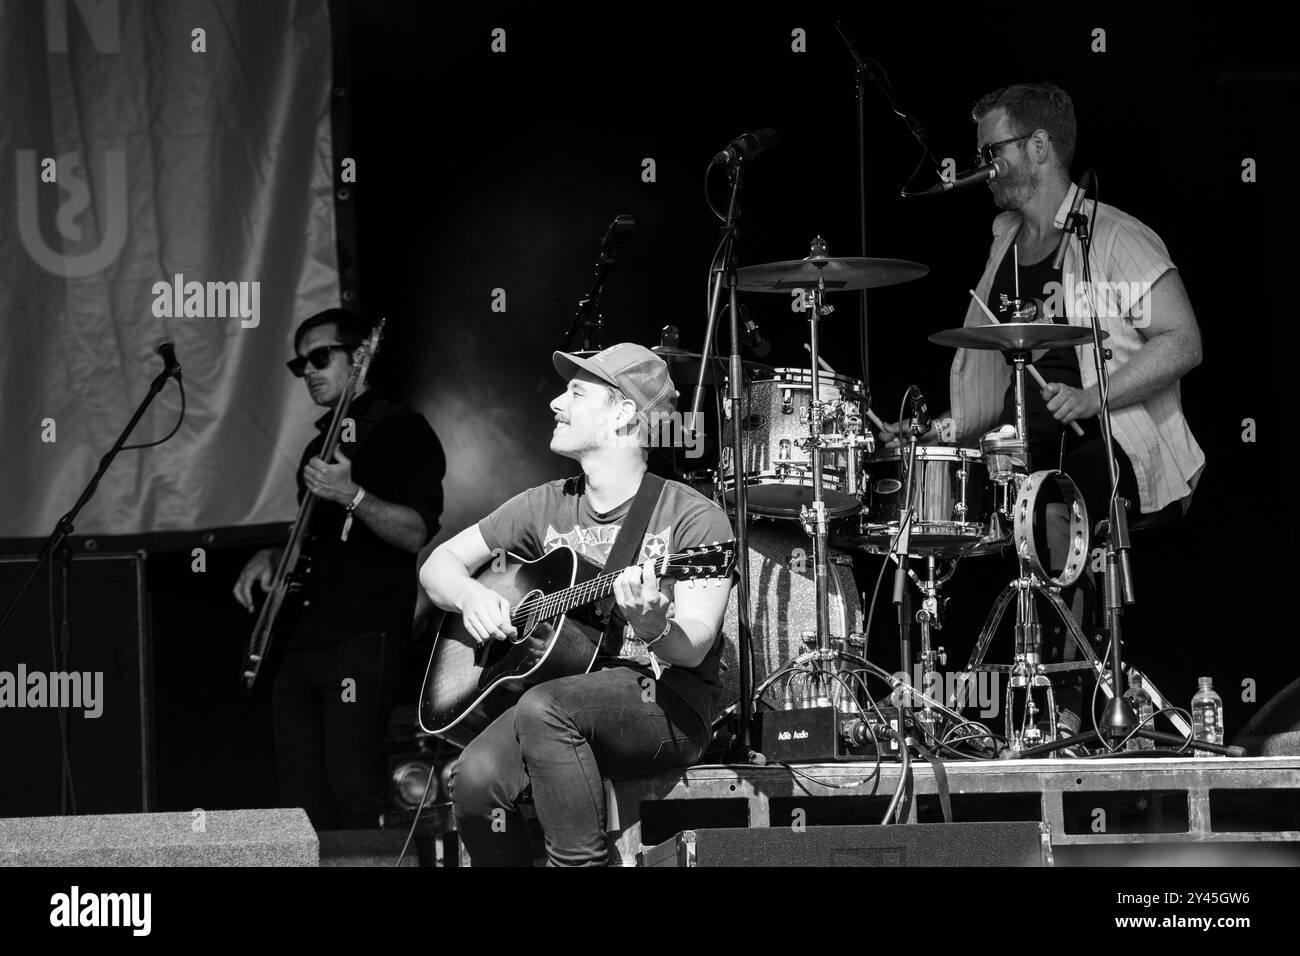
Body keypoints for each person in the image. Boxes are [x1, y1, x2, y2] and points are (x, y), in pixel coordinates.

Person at [883, 83, 1204, 739]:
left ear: (1038, 146)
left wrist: (1093, 395)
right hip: (1020, 447)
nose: (983, 165)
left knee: (1055, 496)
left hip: (1107, 441)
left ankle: (1073, 695)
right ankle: (983, 703)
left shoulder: (1113, 238)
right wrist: (941, 431)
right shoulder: (1003, 245)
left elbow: (1183, 340)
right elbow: (996, 377)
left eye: (993, 150)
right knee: (951, 500)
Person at [420, 343, 733, 866]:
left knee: (547, 707)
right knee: (473, 782)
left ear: (625, 412)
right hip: (558, 703)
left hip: (665, 703)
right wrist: (472, 594)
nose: (554, 403)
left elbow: (695, 646)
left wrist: (655, 627)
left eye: (576, 391)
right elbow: (438, 565)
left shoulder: (693, 517)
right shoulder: (545, 503)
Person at [233, 308, 445, 829]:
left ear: (361, 357)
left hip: (361, 631)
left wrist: (352, 495)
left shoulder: (401, 427)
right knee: (299, 799)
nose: (308, 370)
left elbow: (416, 531)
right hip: (301, 636)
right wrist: (271, 556)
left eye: (321, 357)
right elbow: (313, 535)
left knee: (352, 782)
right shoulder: (318, 443)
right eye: (300, 363)